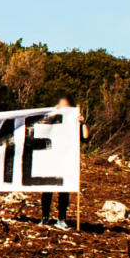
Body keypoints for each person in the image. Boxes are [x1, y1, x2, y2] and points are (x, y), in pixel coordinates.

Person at [40, 95, 89, 230]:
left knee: (64, 191)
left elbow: (85, 138)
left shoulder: (73, 122)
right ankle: (45, 218)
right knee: (47, 189)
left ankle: (61, 219)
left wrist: (82, 123)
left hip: (66, 160)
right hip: (50, 159)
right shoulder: (50, 120)